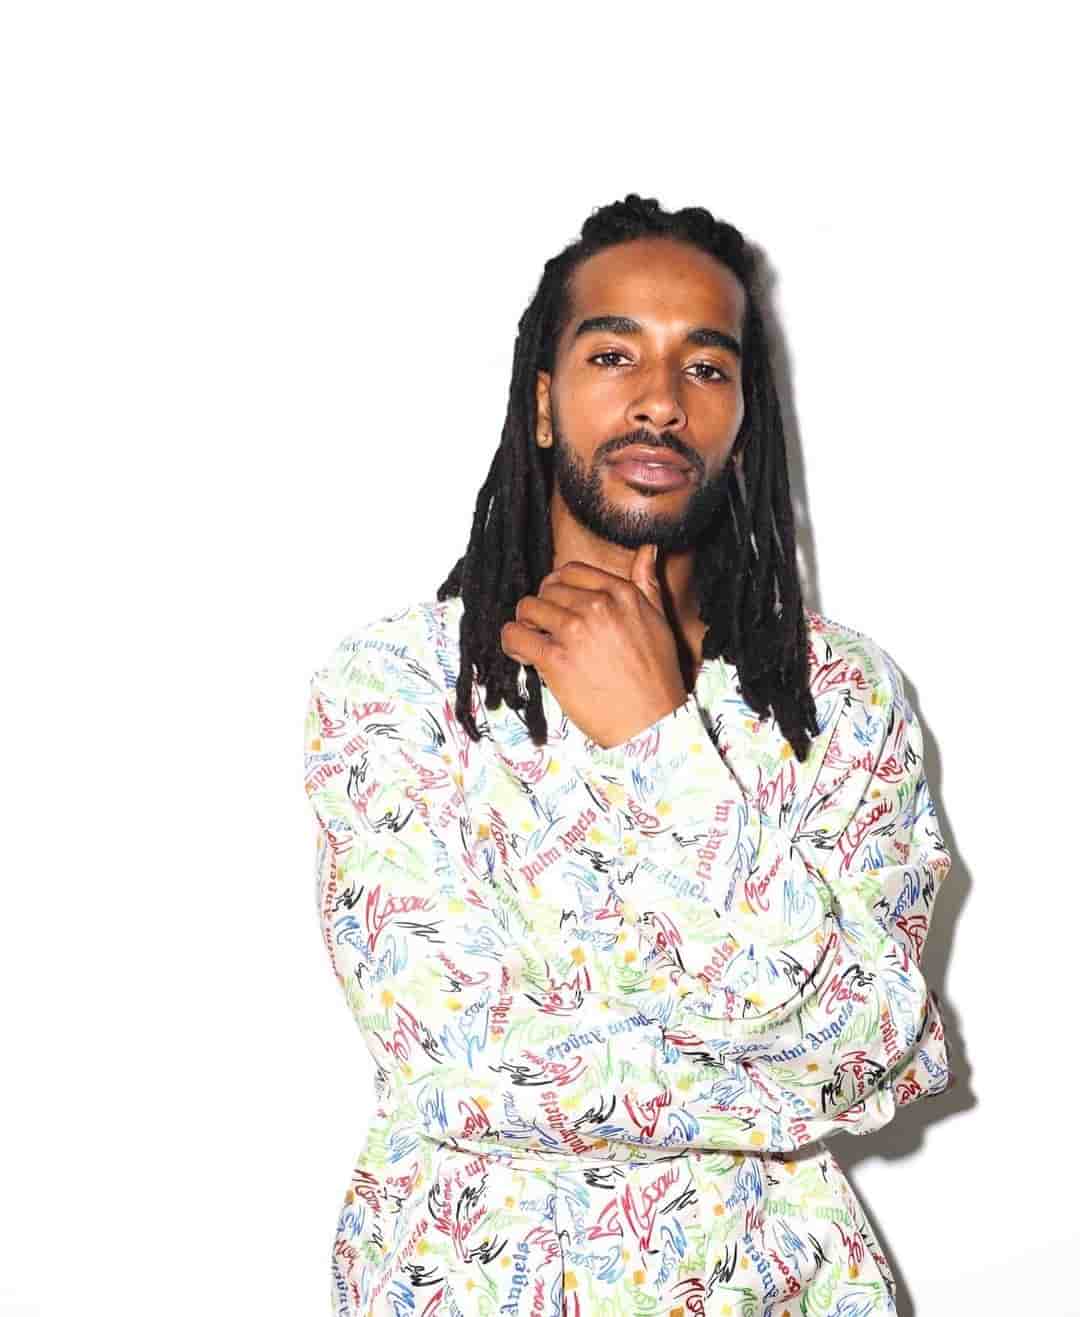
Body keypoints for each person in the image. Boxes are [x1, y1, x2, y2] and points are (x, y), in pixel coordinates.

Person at [303, 193, 952, 1317]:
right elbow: (460, 1065)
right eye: (614, 354)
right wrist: (782, 1075)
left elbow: (865, 1055)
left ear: (743, 419)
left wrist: (661, 741)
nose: (660, 399)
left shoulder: (839, 695)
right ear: (543, 402)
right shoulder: (399, 683)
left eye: (706, 367)